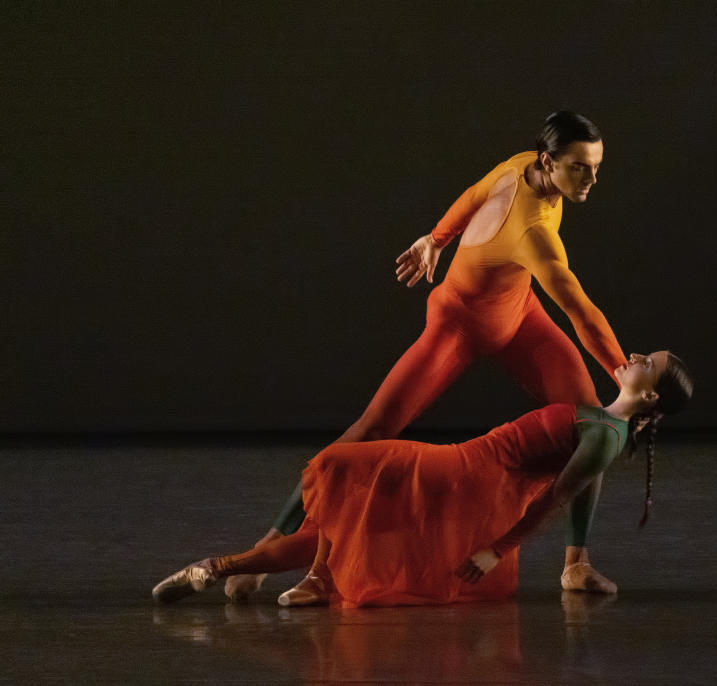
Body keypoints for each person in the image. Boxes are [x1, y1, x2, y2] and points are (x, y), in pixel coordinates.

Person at [226, 112, 628, 601]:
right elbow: (580, 310)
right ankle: (267, 548)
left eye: (596, 167)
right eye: (580, 168)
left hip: (520, 316)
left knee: (594, 425)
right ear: (549, 161)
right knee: (368, 433)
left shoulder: (525, 168)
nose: (591, 179)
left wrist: (436, 239)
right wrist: (626, 379)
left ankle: (576, 565)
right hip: (458, 324)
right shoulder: (534, 232)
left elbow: (472, 195)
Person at [153, 351, 693, 608]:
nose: (636, 354)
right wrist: (577, 561)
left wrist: (496, 551)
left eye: (649, 361)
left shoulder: (604, 437)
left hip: (465, 474)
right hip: (469, 470)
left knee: (339, 465)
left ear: (649, 396)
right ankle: (212, 569)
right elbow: (577, 485)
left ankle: (294, 575)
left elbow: (557, 496)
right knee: (356, 526)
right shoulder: (601, 422)